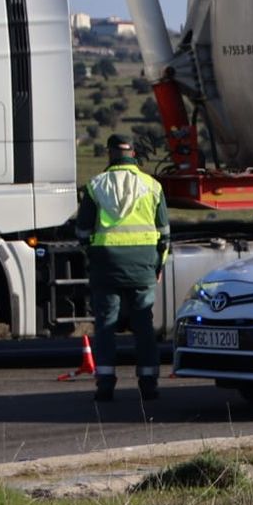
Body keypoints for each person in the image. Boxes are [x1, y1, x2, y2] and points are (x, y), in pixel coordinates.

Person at [76, 134, 171, 402]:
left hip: (106, 265)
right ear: (133, 154)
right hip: (143, 265)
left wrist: (91, 255)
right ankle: (148, 383)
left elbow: (83, 231)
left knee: (105, 324)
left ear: (109, 154)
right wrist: (158, 265)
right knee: (144, 325)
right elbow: (164, 233)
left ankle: (105, 384)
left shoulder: (96, 186)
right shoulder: (152, 186)